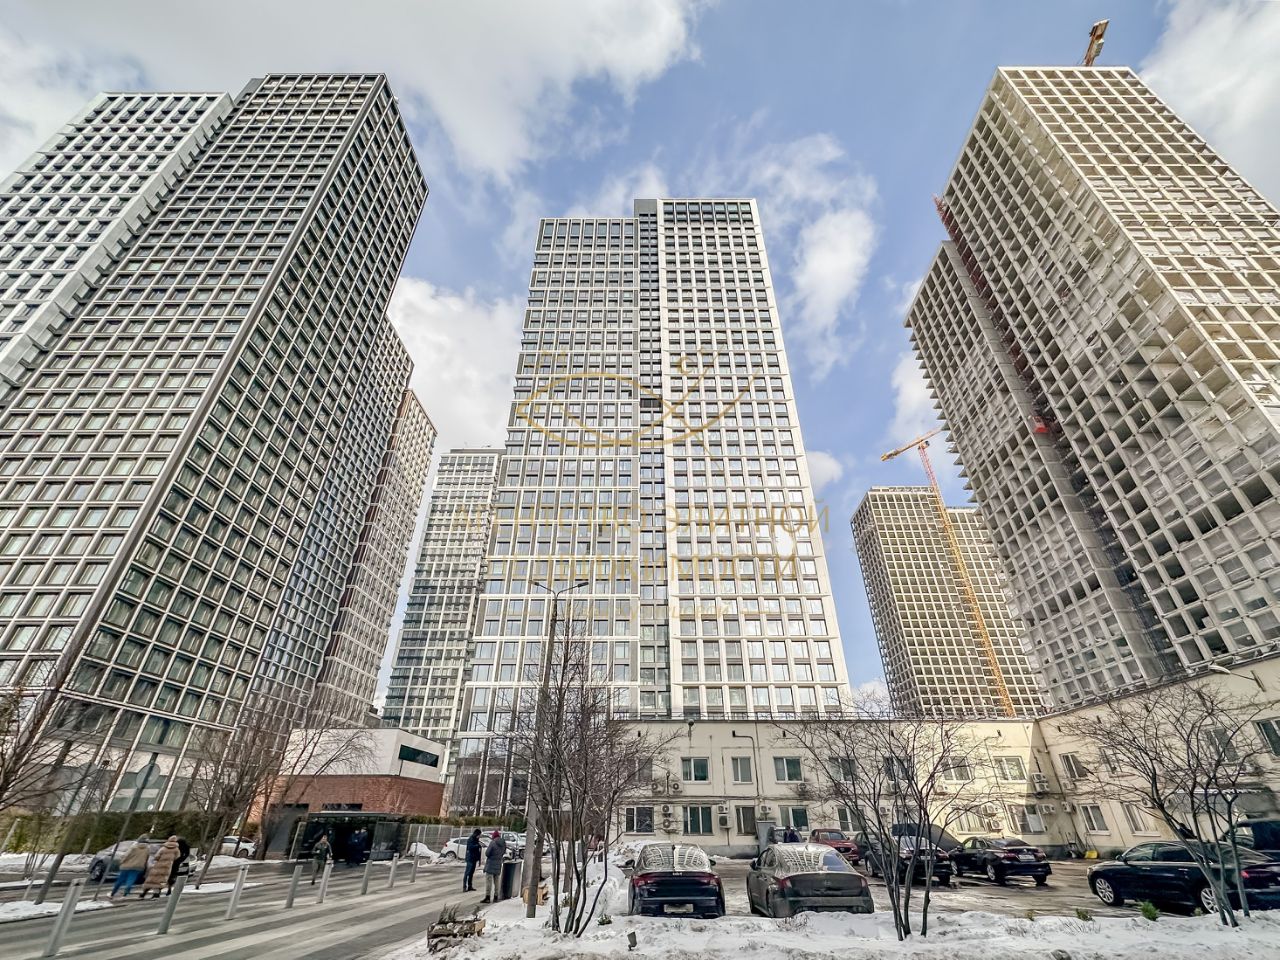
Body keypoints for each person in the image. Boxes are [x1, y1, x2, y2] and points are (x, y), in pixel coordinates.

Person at [480, 830, 507, 903]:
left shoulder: (493, 843)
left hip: (491, 864)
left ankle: (488, 897)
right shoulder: (503, 843)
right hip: (498, 863)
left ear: (493, 836)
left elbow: (487, 853)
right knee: (497, 881)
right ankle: (496, 896)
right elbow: (503, 852)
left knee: (489, 881)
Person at [463, 828, 483, 893]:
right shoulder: (471, 839)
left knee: (471, 873)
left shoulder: (476, 840)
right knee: (467, 873)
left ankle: (470, 886)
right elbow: (470, 847)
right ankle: (464, 886)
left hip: (474, 858)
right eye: (479, 835)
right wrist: (477, 846)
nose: (479, 836)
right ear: (476, 834)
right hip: (470, 858)